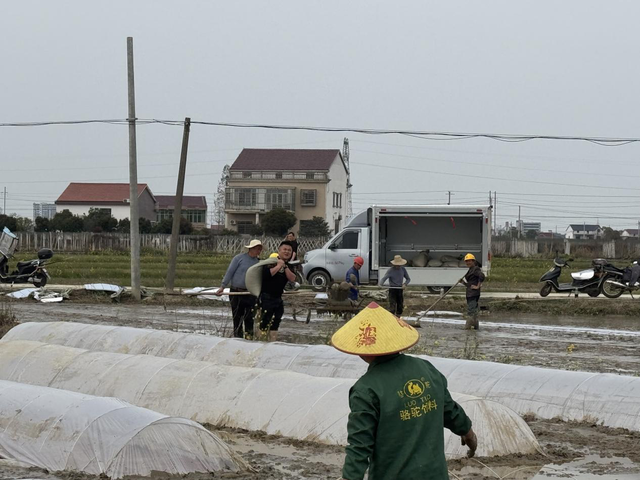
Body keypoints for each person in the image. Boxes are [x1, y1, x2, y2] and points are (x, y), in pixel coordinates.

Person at [332, 302, 477, 480]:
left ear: (362, 350)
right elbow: (450, 410)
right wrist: (468, 433)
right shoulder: (426, 370)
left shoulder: (366, 390)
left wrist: (349, 477)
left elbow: (359, 447)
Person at [215, 239, 263, 339]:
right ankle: (237, 338)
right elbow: (230, 272)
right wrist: (223, 286)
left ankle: (249, 338)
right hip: (236, 292)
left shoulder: (258, 263)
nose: (259, 251)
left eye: (260, 250)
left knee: (249, 318)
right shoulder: (239, 258)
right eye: (258, 249)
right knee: (237, 317)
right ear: (251, 249)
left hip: (250, 294)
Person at [258, 240, 297, 341]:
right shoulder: (270, 262)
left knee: (277, 320)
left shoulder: (289, 265)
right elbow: (266, 275)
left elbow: (292, 278)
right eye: (284, 249)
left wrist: (285, 266)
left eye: (289, 250)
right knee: (265, 320)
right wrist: (279, 265)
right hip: (266, 296)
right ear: (279, 250)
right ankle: (260, 341)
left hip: (278, 297)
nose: (287, 252)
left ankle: (272, 341)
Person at [462, 253, 485, 330]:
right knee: (474, 311)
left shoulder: (475, 269)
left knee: (471, 311)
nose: (468, 263)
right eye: (466, 261)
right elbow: (470, 284)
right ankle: (475, 328)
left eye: (469, 261)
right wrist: (463, 282)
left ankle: (468, 328)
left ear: (473, 261)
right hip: (470, 293)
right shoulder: (470, 270)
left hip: (473, 294)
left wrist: (478, 286)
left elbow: (482, 276)